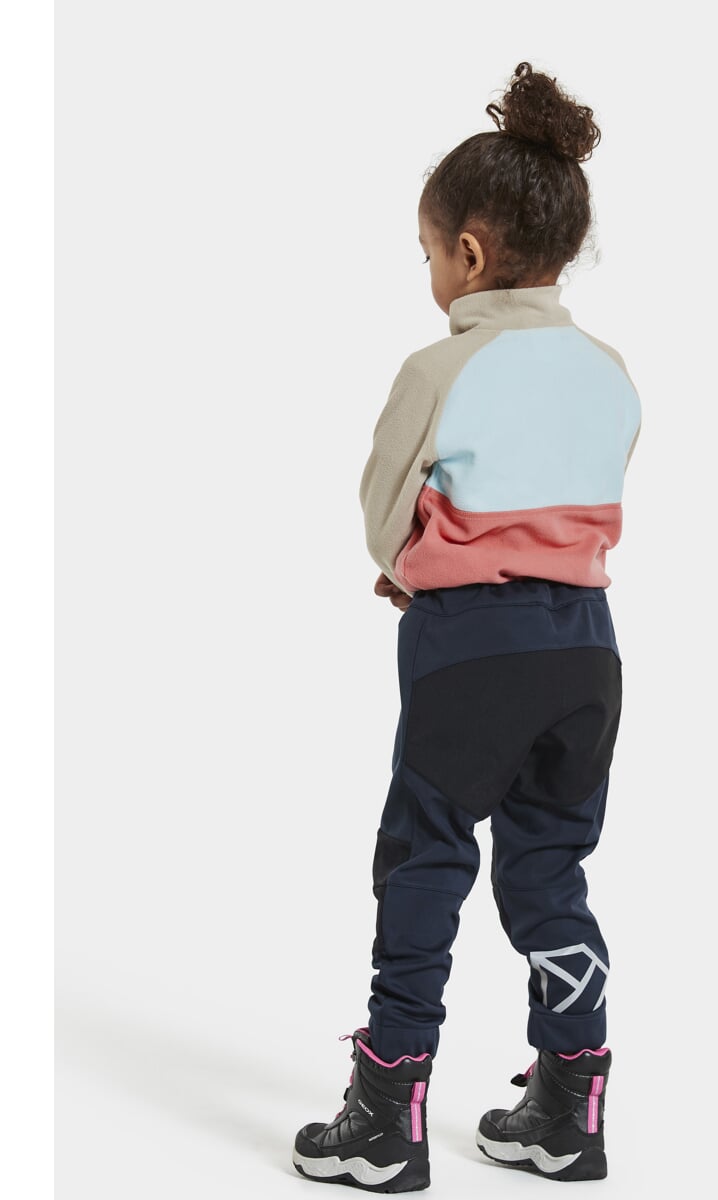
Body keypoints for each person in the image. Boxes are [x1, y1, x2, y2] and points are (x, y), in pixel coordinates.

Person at [292, 61, 641, 1192]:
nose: (433, 275)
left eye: (431, 254)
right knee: (549, 867)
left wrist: (415, 572)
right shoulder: (610, 371)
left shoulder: (440, 366)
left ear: (472, 256)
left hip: (470, 654)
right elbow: (575, 504)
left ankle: (386, 1110)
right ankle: (569, 1105)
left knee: (426, 857)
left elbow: (382, 513)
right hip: (587, 651)